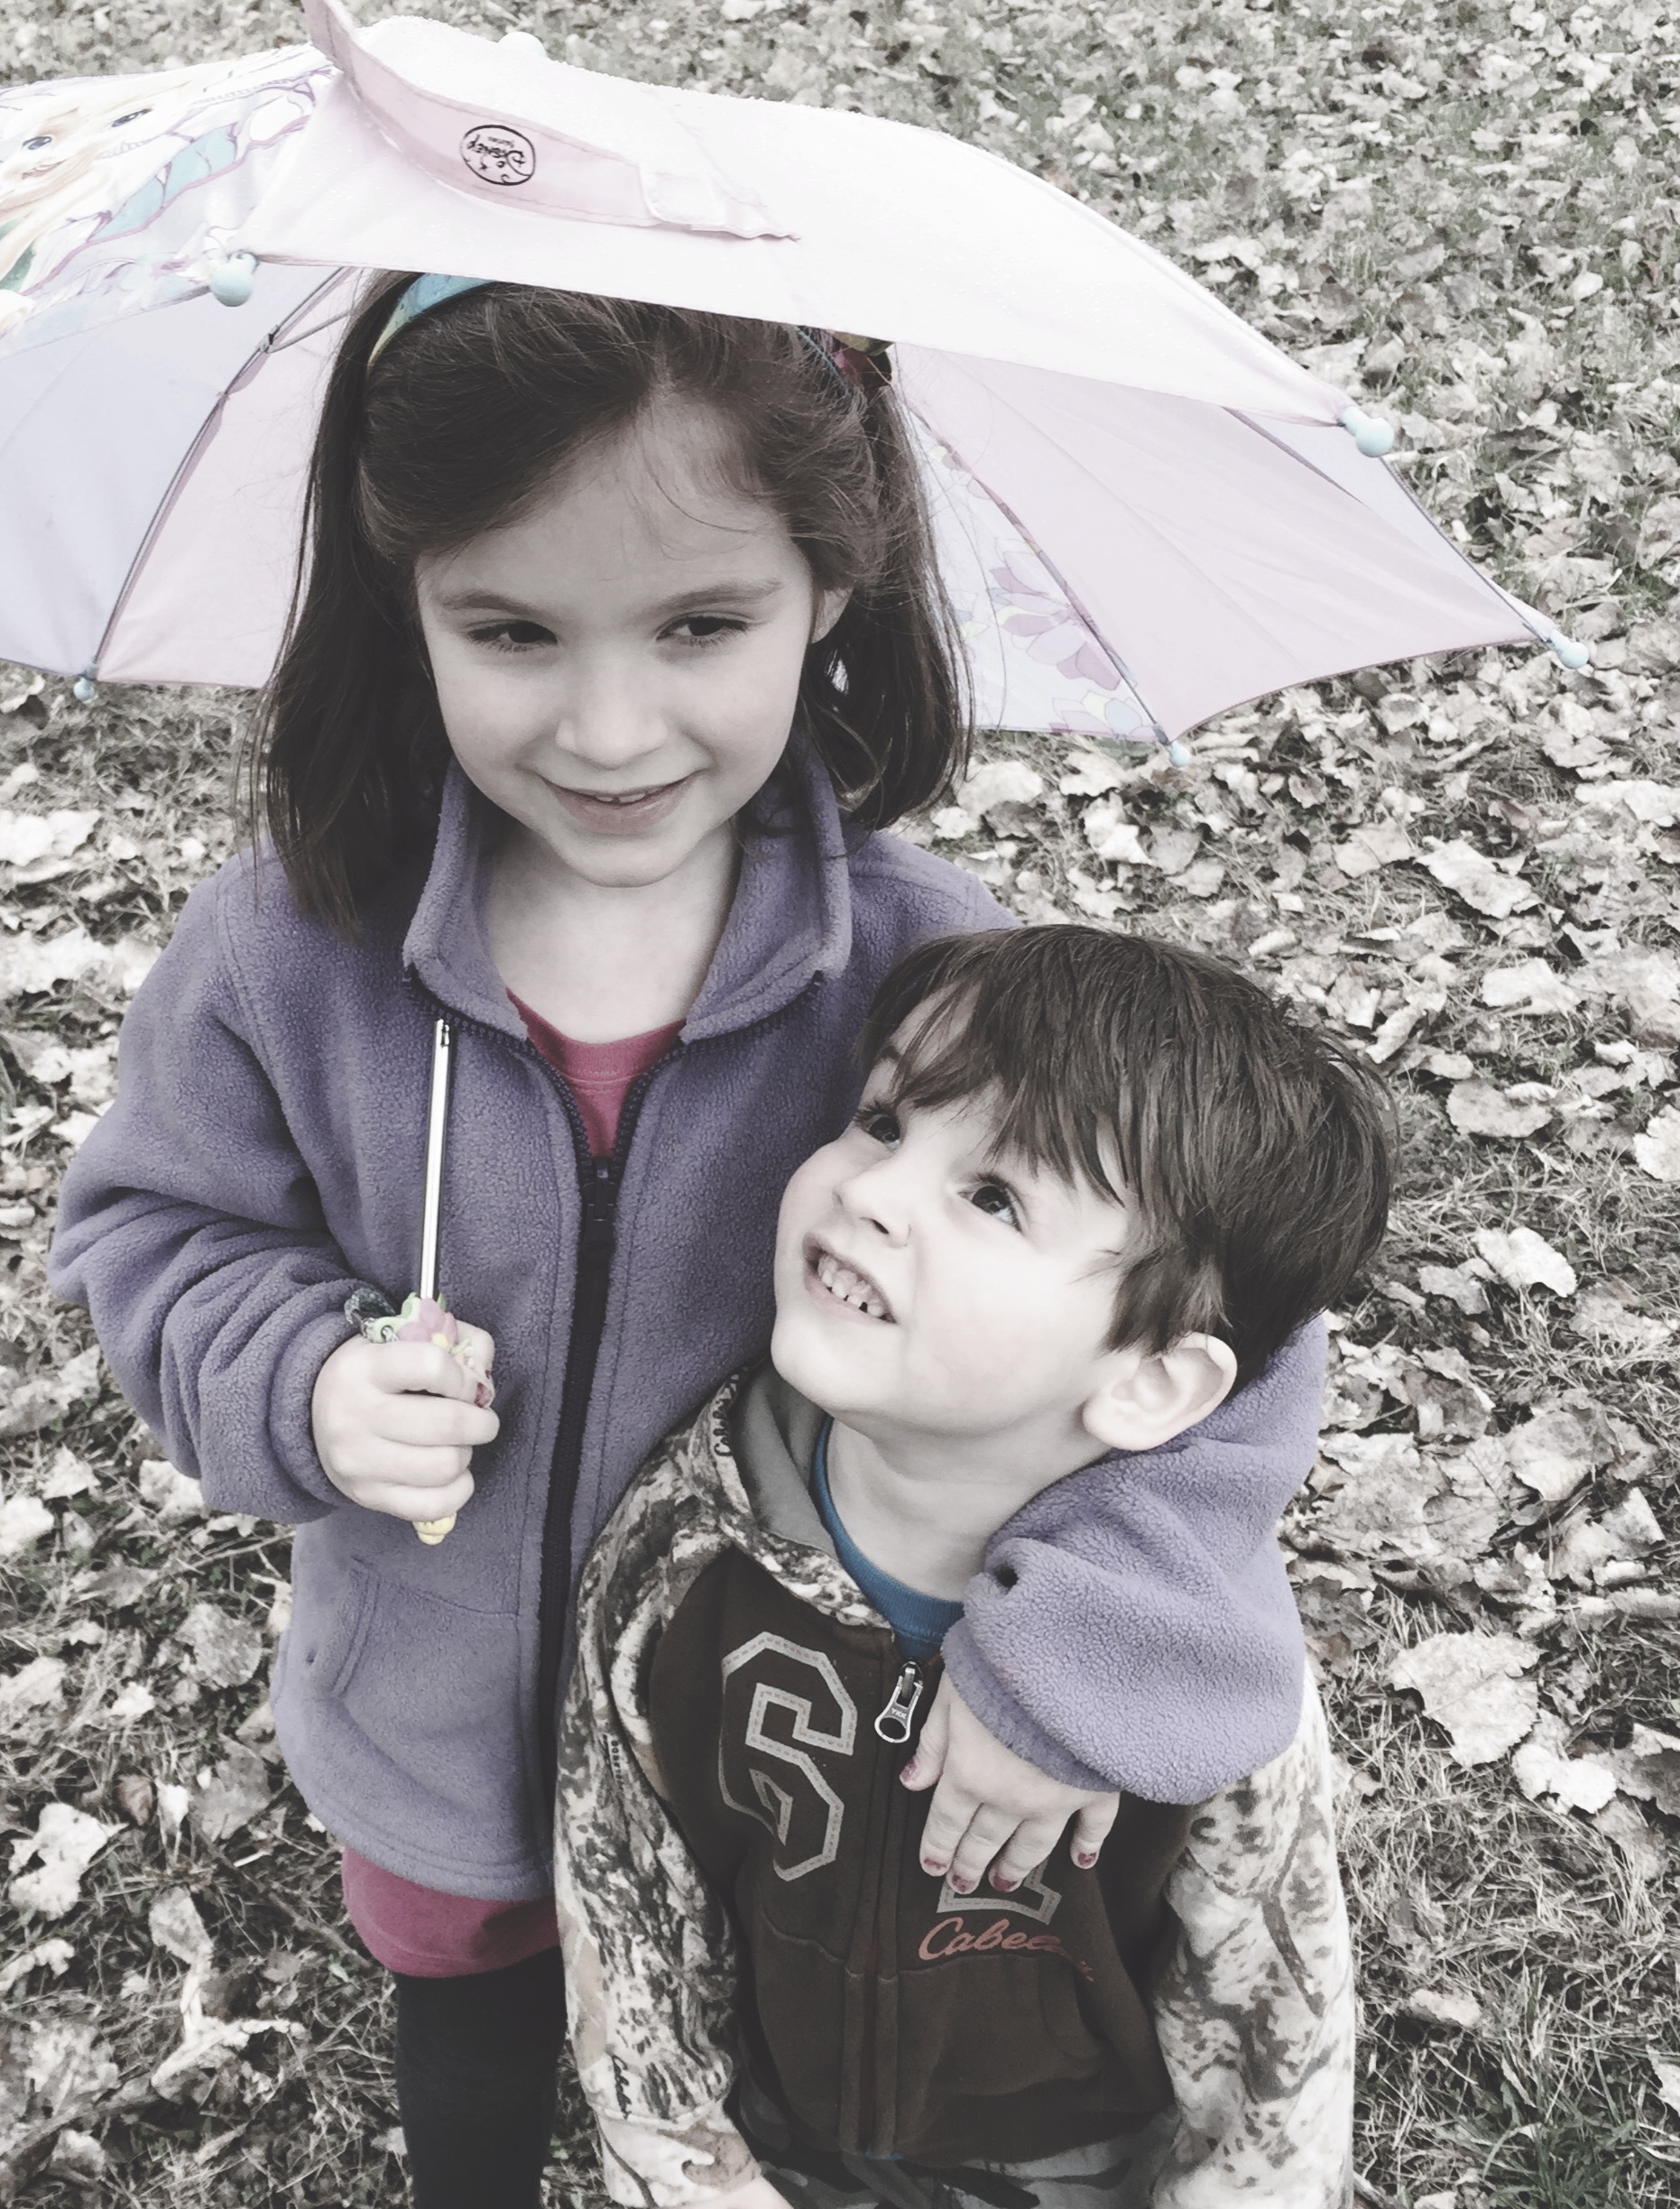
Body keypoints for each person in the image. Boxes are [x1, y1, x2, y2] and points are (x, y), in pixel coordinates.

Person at [51, 278, 1326, 2209]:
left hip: (791, 1767)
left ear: (831, 588)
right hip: (436, 1729)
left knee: (764, 2079)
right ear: (403, 603)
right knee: (471, 2015)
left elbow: (1231, 1331)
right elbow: (156, 1230)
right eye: (510, 631)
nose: (609, 727)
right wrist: (298, 1374)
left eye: (701, 626)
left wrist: (1083, 1651)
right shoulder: (286, 951)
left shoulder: (930, 976)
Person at [555, 925, 1391, 2209]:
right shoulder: (680, 1559)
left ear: (1150, 1383)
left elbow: (1272, 2032)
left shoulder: (1196, 1683)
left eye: (994, 1196)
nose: (871, 1192)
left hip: (1073, 2170)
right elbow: (623, 1929)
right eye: (882, 1121)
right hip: (777, 2146)